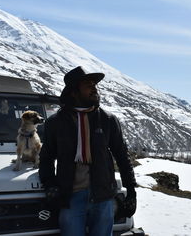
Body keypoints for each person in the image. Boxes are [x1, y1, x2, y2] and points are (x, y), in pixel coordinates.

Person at [39, 66, 137, 236]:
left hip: (103, 197)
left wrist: (131, 189)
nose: (94, 88)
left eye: (94, 84)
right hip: (71, 198)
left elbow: (121, 155)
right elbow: (46, 157)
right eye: (88, 85)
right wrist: (50, 185)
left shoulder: (107, 120)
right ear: (73, 92)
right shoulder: (56, 123)